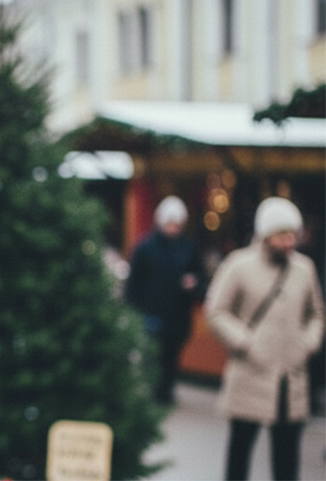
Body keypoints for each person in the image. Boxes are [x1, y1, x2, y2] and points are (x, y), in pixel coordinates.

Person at [206, 197, 324, 480]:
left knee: (286, 458)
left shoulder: (304, 269)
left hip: (291, 378)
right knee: (240, 452)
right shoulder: (239, 265)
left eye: (293, 235)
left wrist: (307, 343)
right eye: (282, 235)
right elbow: (216, 311)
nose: (289, 242)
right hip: (250, 373)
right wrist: (245, 341)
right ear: (266, 234)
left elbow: (317, 313)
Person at [124, 195, 206, 403]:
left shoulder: (188, 248)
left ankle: (166, 392)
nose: (173, 228)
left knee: (171, 357)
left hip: (178, 315)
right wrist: (133, 312)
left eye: (177, 224)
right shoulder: (144, 248)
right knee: (152, 357)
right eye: (170, 223)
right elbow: (133, 284)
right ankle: (153, 394)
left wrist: (194, 283)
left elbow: (201, 277)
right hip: (151, 314)